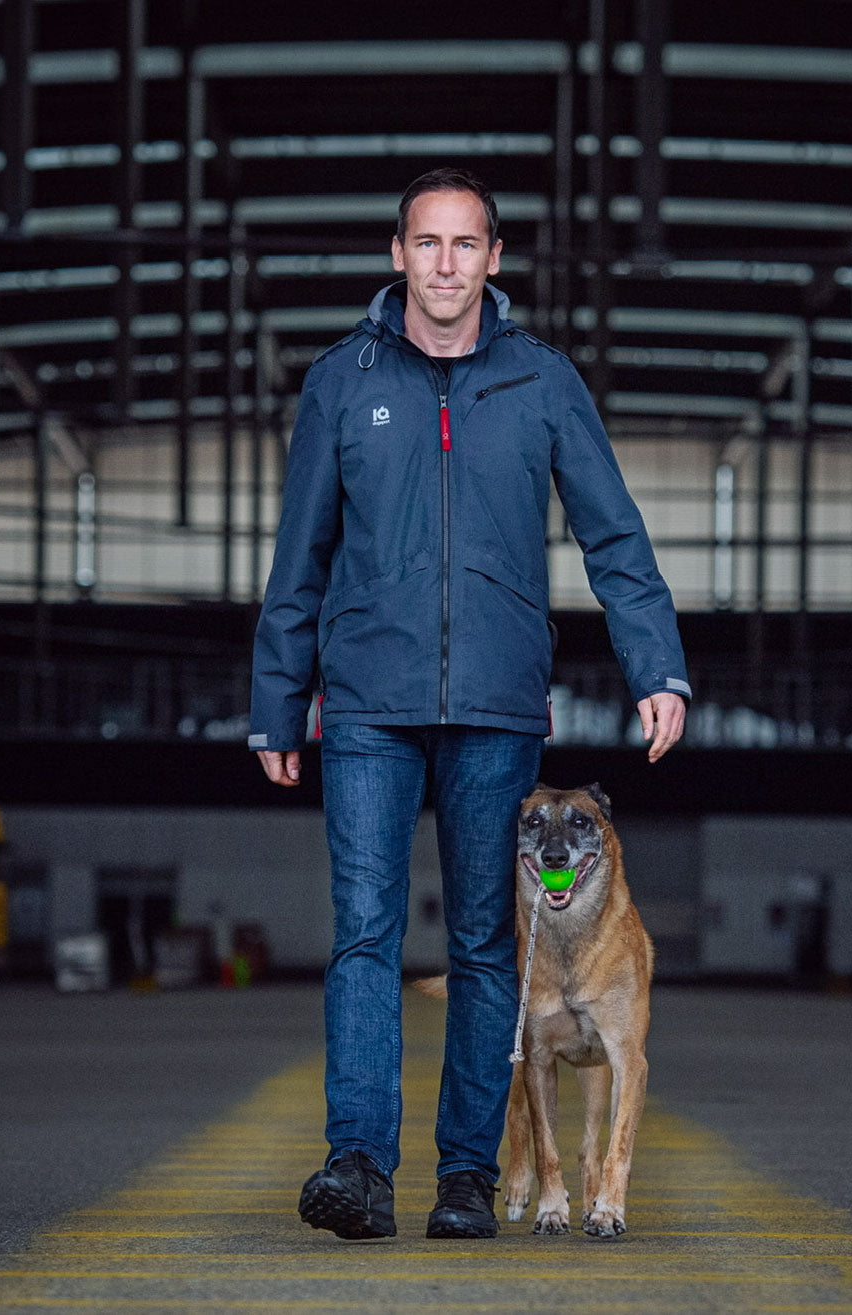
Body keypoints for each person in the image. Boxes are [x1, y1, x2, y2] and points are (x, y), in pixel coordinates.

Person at [249, 167, 689, 1241]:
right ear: (395, 255)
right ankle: (355, 1164)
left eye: (466, 244)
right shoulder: (342, 382)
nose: (445, 264)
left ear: (495, 259)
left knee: (491, 947)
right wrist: (276, 698)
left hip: (495, 703)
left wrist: (656, 665)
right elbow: (299, 550)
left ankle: (463, 1179)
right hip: (364, 702)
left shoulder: (540, 383)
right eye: (426, 243)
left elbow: (613, 534)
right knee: (365, 933)